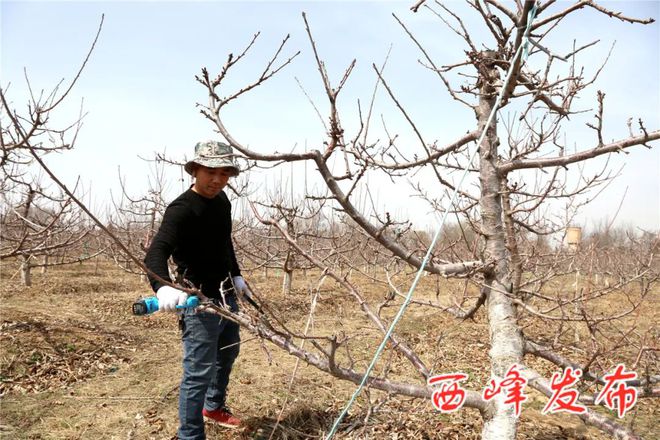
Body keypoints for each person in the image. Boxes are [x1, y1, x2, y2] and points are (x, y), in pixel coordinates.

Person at [144, 140, 249, 439]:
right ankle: (190, 435)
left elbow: (224, 242)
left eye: (224, 173)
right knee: (198, 371)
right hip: (197, 300)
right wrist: (163, 288)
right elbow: (156, 253)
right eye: (210, 172)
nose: (217, 180)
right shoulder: (181, 209)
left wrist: (237, 276)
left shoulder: (223, 202)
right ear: (195, 170)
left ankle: (213, 407)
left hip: (226, 293)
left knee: (228, 352)